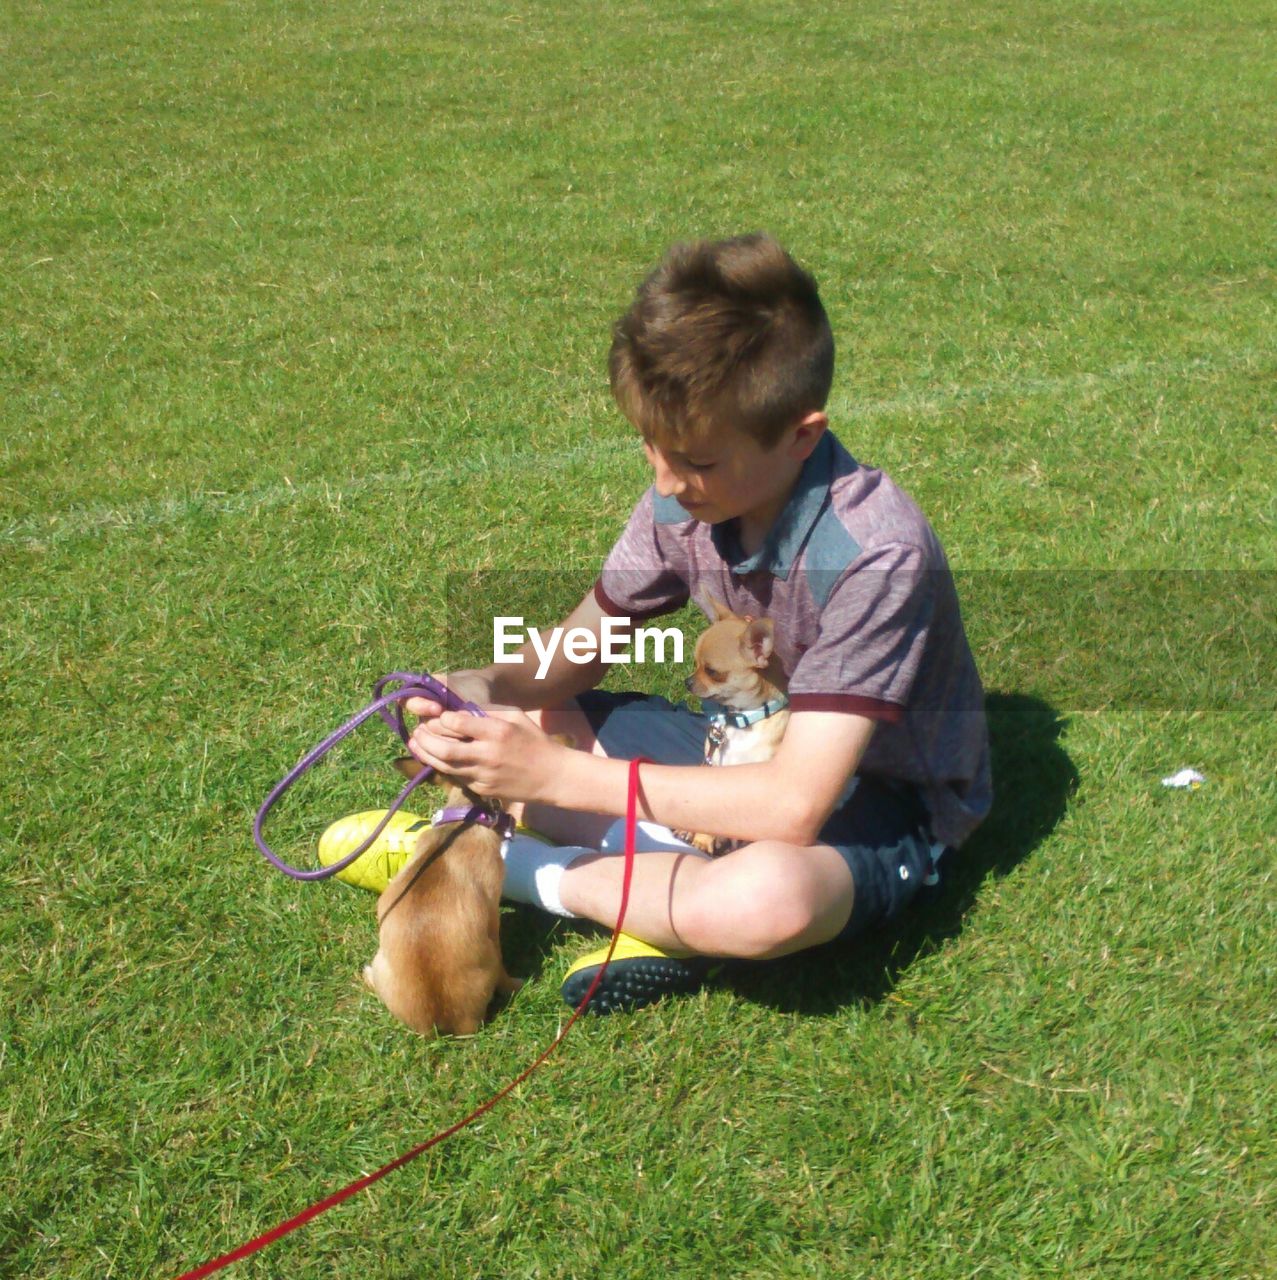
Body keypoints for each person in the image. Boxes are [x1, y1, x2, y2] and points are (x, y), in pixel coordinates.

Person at [349, 234, 991, 1013]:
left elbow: (795, 805)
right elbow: (575, 651)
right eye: (649, 445)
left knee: (766, 901)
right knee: (520, 718)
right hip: (736, 751)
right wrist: (477, 687)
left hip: (874, 801)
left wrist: (555, 779)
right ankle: (656, 895)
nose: (663, 480)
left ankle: (512, 870)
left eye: (696, 460)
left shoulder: (873, 555)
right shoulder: (684, 496)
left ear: (801, 435)